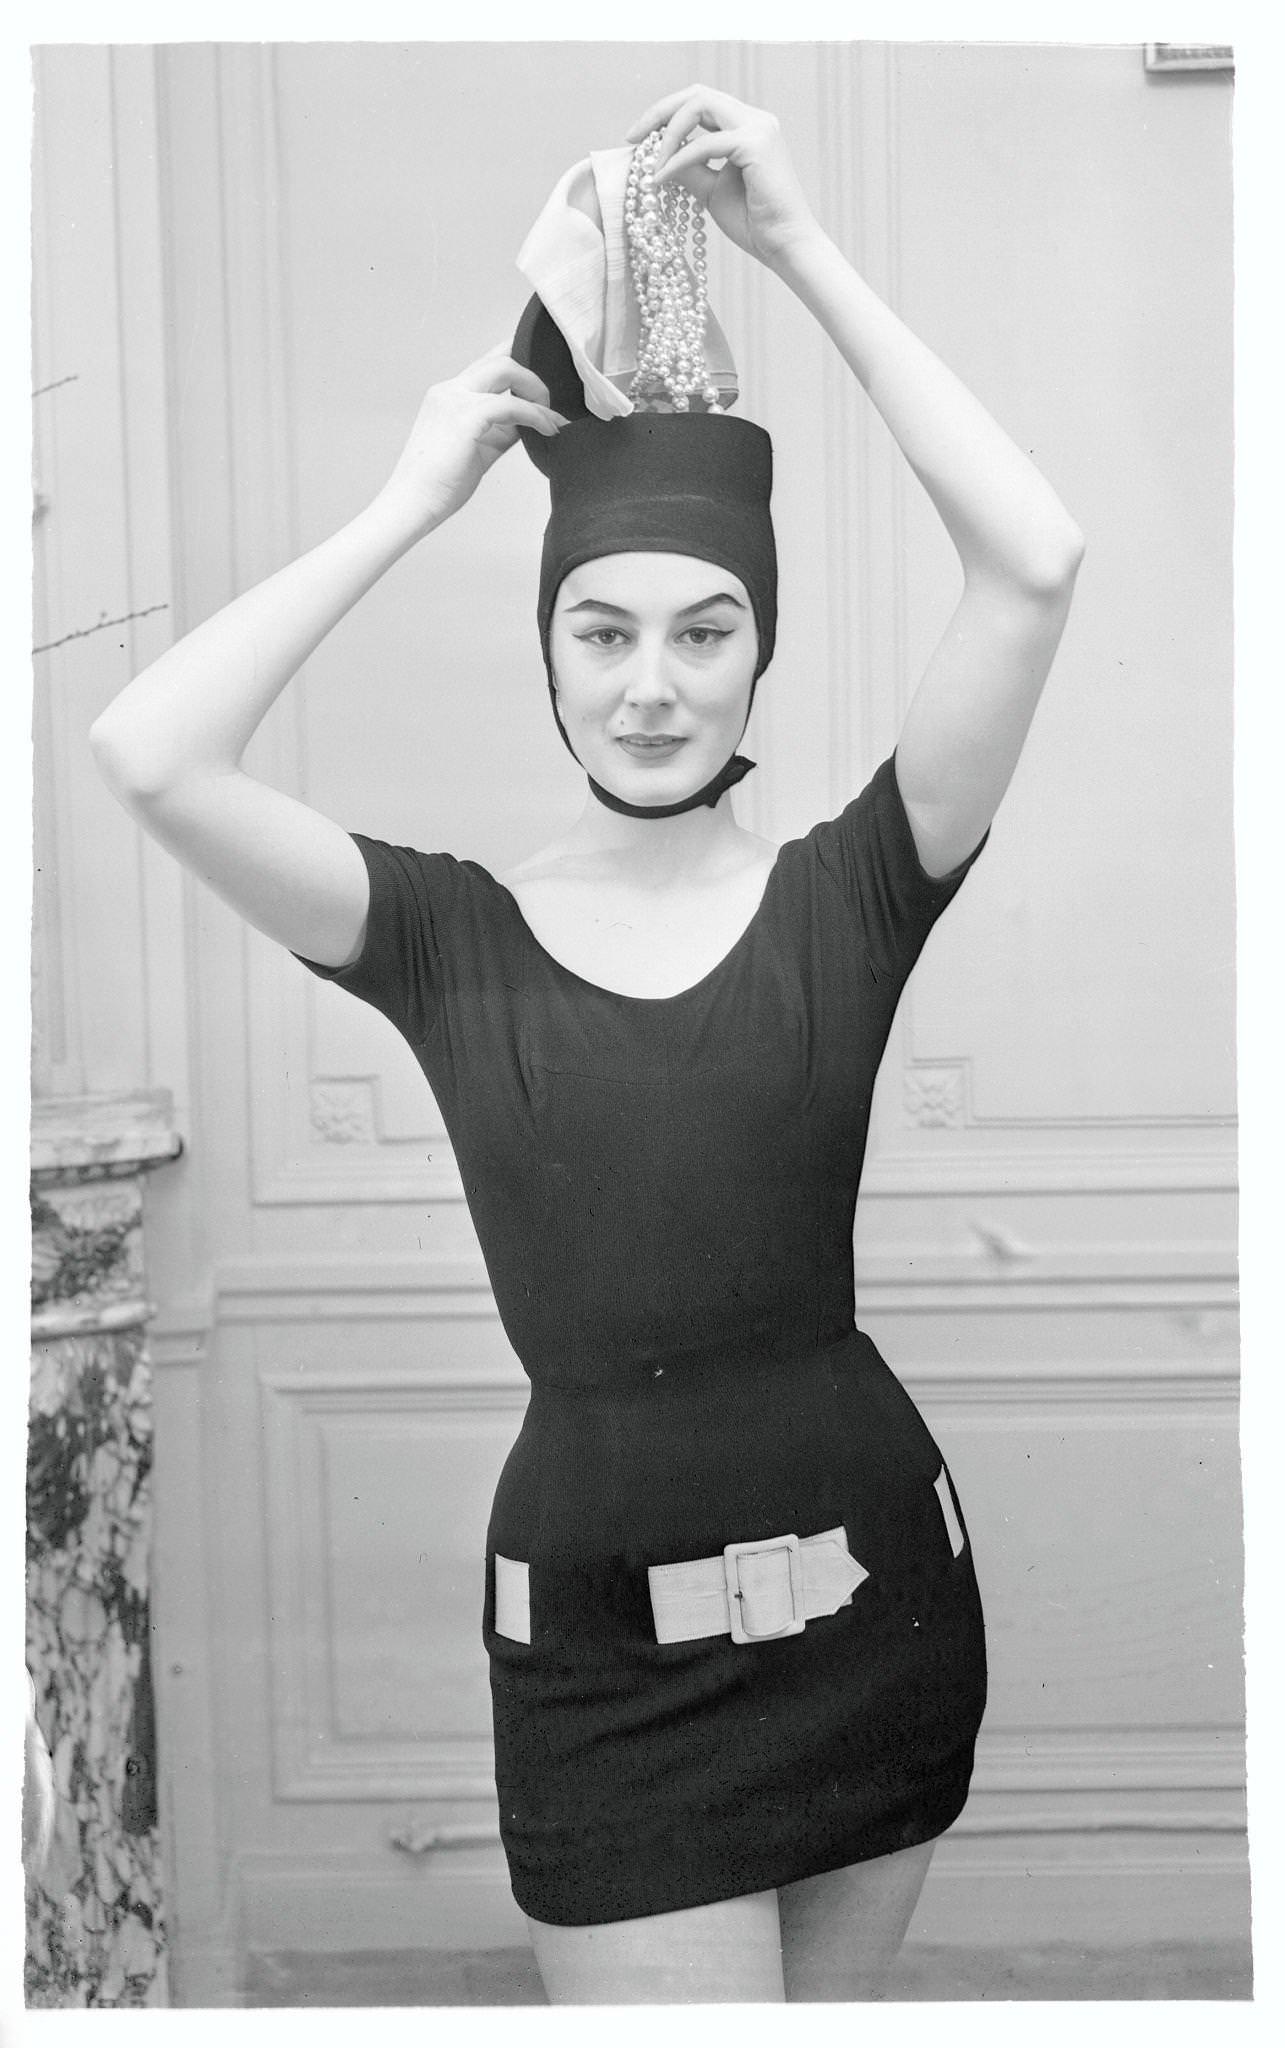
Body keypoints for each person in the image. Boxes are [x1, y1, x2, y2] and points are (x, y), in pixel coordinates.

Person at [91, 85, 1083, 2004]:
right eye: (603, 631)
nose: (651, 683)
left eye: (705, 632)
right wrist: (409, 500)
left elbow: (1032, 561)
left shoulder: (855, 890)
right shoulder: (444, 937)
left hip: (876, 1605)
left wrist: (796, 246)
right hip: (602, 1667)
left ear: (759, 655)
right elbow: (149, 751)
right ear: (546, 650)